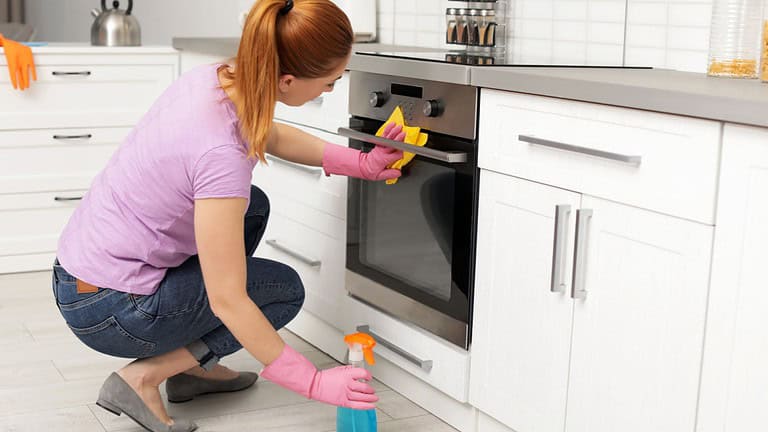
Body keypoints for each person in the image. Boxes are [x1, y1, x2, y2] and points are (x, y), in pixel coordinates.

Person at [50, 1, 407, 431]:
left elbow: (267, 132)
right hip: (108, 308)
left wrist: (361, 163)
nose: (329, 90)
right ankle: (143, 376)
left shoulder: (216, 80)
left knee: (251, 206)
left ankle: (189, 369)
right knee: (281, 290)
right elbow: (228, 300)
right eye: (329, 84)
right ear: (287, 80)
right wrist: (311, 381)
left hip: (83, 274)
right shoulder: (219, 154)